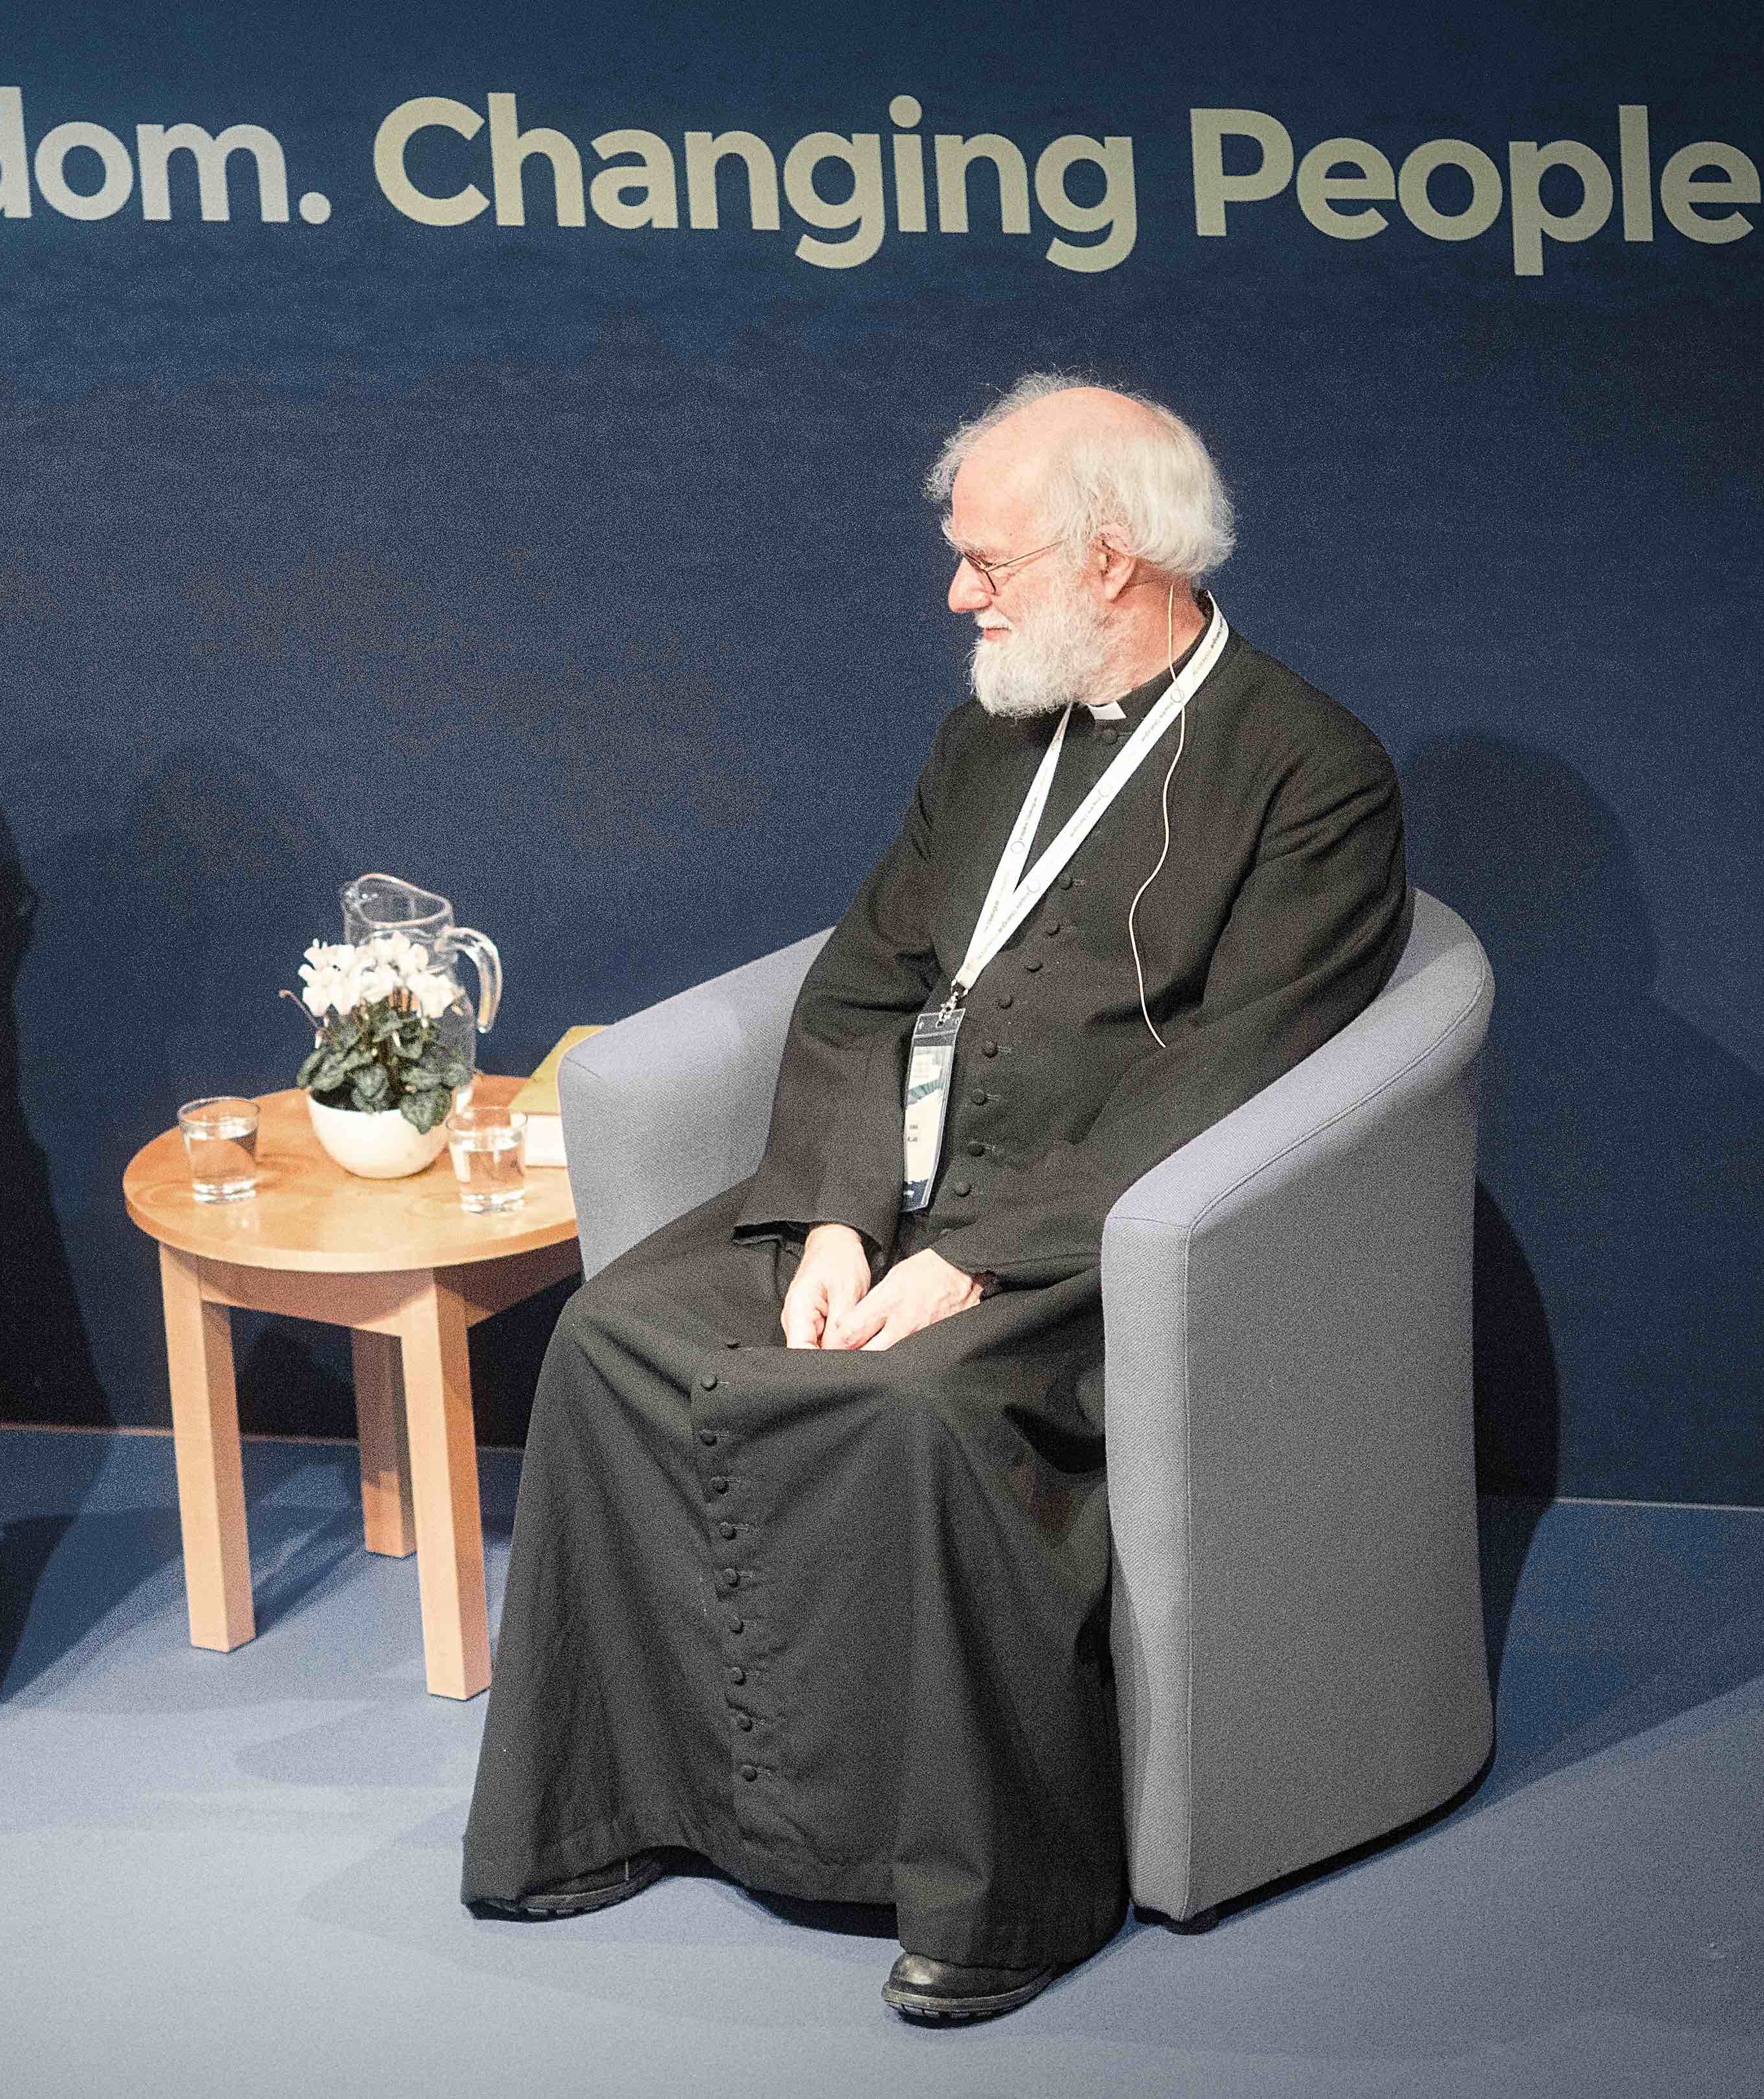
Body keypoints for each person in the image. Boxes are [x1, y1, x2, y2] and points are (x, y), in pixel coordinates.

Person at [461, 376, 1410, 2023]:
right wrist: (829, 1214)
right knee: (613, 1335)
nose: (954, 595)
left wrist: (975, 1257)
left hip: (1094, 1236)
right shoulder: (986, 733)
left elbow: (1232, 1074)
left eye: (986, 561)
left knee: (915, 1405)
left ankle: (992, 1897)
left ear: (1110, 560)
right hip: (883, 1189)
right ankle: (617, 1805)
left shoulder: (1306, 769)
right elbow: (857, 985)